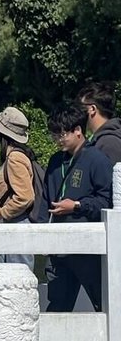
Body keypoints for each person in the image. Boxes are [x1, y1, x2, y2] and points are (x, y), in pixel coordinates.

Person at [43, 103, 113, 312]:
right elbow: (45, 200)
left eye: (62, 134)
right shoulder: (55, 161)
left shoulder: (97, 160)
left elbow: (106, 200)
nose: (58, 140)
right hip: (58, 248)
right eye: (54, 135)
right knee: (57, 306)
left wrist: (76, 206)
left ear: (78, 131)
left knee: (103, 302)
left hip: (87, 247)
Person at [0, 106, 38, 271]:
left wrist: (2, 212)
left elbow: (25, 196)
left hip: (17, 223)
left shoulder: (15, 158)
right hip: (16, 223)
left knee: (18, 279)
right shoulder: (17, 155)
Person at [77, 82, 121, 164]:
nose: (78, 113)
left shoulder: (109, 143)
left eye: (81, 107)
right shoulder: (99, 140)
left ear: (92, 109)